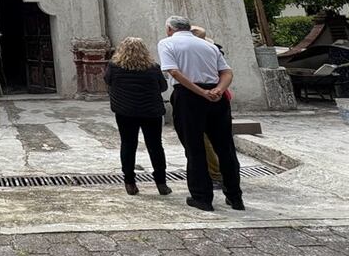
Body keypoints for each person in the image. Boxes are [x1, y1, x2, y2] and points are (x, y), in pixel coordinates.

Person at [158, 15, 244, 212]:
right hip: (217, 97)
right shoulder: (208, 46)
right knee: (225, 149)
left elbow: (174, 73)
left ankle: (202, 198)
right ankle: (235, 197)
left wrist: (201, 92)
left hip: (189, 97)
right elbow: (227, 72)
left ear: (169, 29)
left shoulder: (167, 43)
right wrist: (218, 90)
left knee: (194, 149)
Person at [104, 37, 172, 197]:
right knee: (155, 146)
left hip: (125, 112)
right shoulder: (153, 67)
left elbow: (108, 81)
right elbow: (163, 86)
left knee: (128, 145)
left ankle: (130, 182)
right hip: (151, 111)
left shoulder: (114, 67)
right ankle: (161, 183)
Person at [191, 26, 224, 190]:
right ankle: (223, 174)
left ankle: (216, 174)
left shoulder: (202, 52)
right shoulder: (213, 50)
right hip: (217, 95)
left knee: (203, 138)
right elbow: (227, 73)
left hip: (203, 96)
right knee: (217, 137)